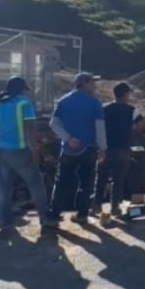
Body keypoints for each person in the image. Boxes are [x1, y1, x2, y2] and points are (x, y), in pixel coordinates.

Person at [0, 77, 57, 233]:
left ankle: (4, 221)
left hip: (1, 151)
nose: (26, 92)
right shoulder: (24, 102)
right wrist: (35, 150)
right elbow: (31, 128)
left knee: (5, 187)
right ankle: (45, 218)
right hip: (20, 150)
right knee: (36, 184)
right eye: (25, 89)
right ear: (21, 89)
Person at [50, 72, 105, 223]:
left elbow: (54, 124)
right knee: (86, 183)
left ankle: (54, 215)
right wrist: (103, 148)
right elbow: (99, 128)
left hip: (68, 149)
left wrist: (68, 138)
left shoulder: (63, 101)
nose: (95, 85)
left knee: (62, 182)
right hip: (89, 148)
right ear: (84, 83)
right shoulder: (95, 103)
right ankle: (82, 215)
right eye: (92, 82)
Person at [94, 81, 144, 217]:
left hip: (105, 148)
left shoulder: (104, 108)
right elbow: (140, 125)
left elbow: (97, 127)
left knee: (101, 179)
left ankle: (96, 206)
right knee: (119, 180)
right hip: (123, 149)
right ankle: (115, 207)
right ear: (126, 94)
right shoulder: (132, 110)